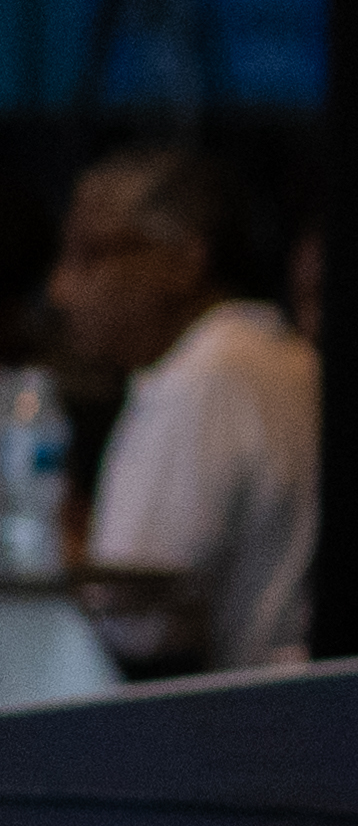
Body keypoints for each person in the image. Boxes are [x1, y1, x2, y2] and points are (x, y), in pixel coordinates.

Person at [51, 143, 317, 676]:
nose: (61, 291)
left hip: (237, 732)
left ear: (182, 261)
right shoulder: (274, 352)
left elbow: (139, 627)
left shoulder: (204, 376)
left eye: (90, 255)